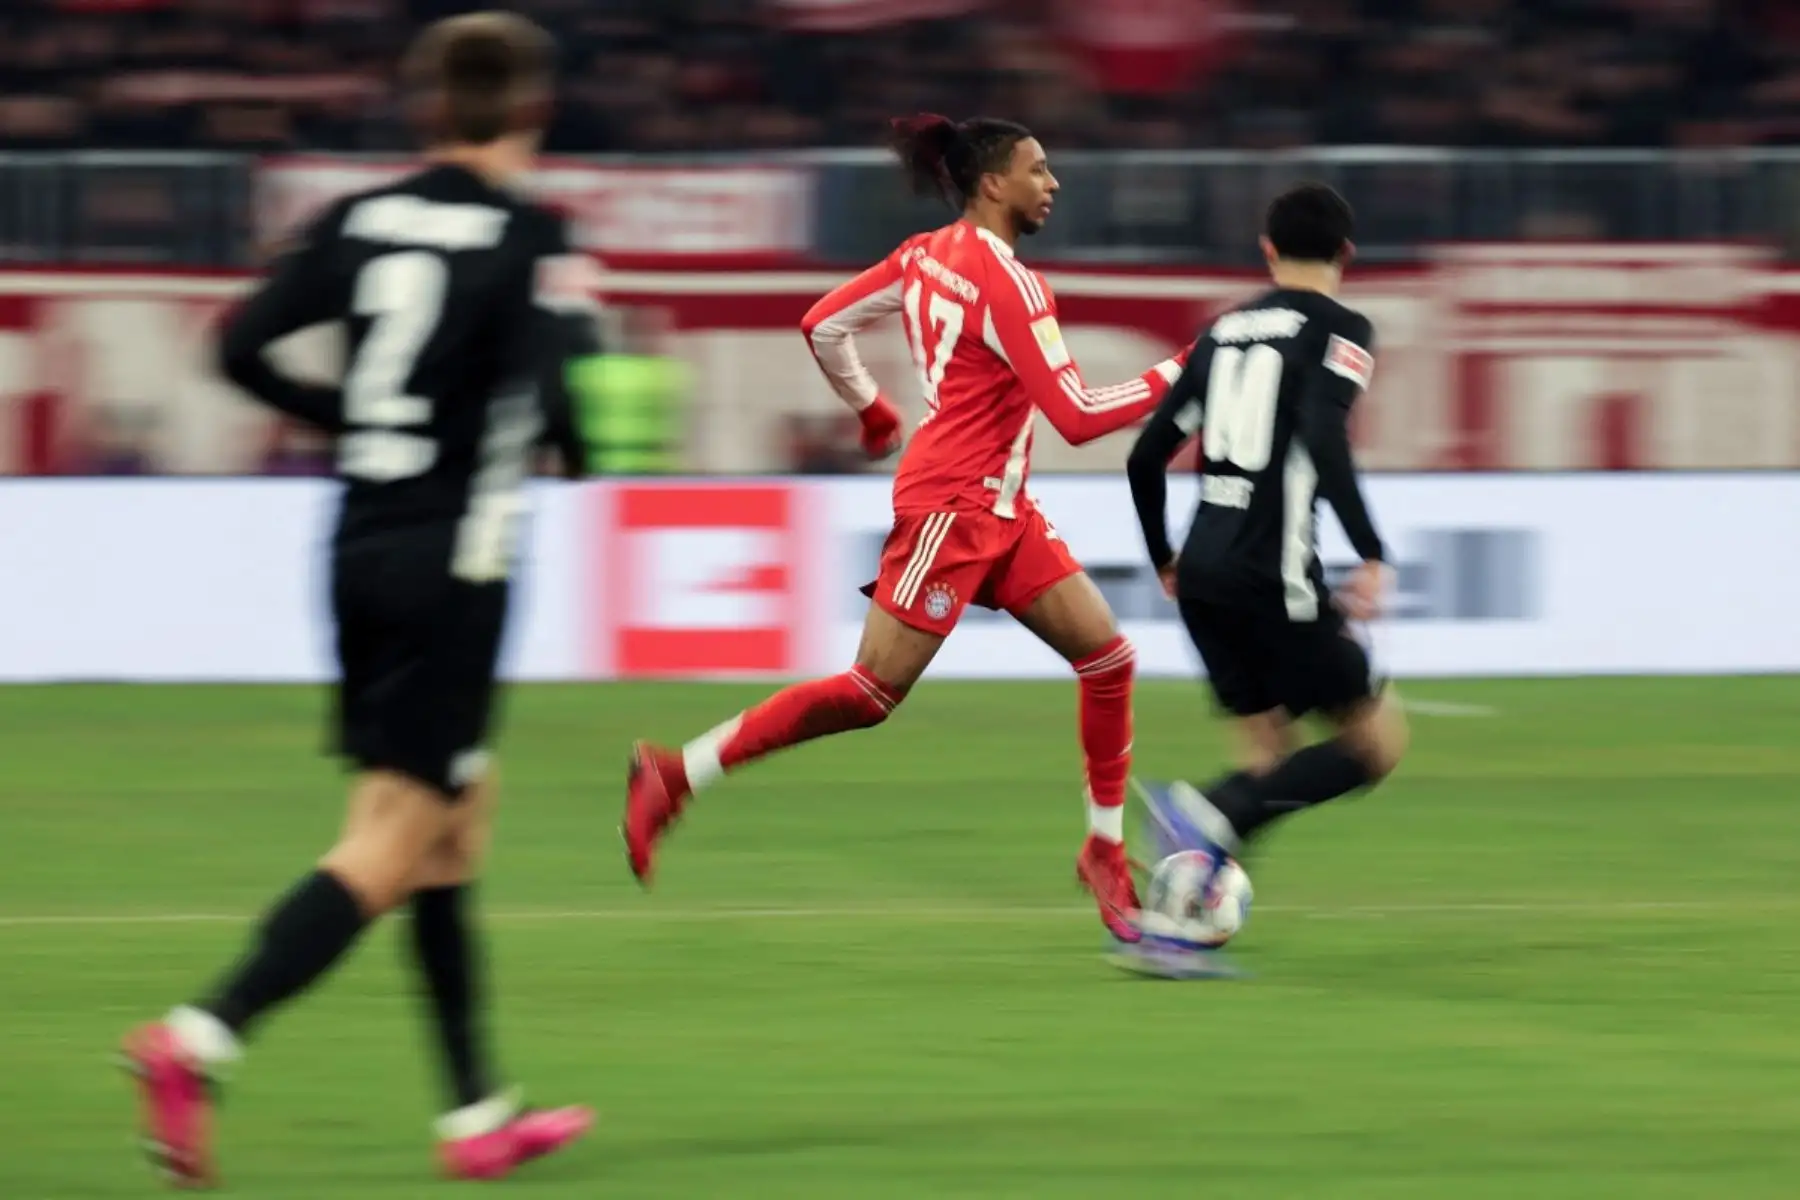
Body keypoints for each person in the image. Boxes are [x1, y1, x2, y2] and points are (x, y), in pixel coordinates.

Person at [120, 13, 597, 1185]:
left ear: (428, 108)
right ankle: (199, 1039)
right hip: (458, 565)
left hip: (359, 547)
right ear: (533, 111)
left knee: (454, 820)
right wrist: (579, 448)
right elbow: (555, 396)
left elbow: (239, 346)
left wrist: (350, 420)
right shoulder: (532, 235)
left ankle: (476, 1114)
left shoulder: (357, 218)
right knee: (390, 843)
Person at [623, 113, 1189, 942]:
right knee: (870, 693)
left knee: (1108, 660)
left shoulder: (925, 255)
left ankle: (1103, 851)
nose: (1053, 182)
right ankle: (675, 773)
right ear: (993, 183)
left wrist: (873, 409)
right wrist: (1183, 370)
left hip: (1002, 509)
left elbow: (823, 323)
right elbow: (1075, 415)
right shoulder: (1011, 284)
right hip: (952, 510)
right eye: (1037, 168)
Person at [1124, 182, 1409, 895]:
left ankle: (1184, 911)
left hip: (1203, 575)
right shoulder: (1343, 328)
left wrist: (1164, 557)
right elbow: (1323, 433)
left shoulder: (1220, 332)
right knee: (1376, 745)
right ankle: (1210, 814)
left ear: (1268, 250)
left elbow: (1145, 456)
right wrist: (1371, 551)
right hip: (1273, 576)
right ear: (1347, 252)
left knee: (1266, 762)